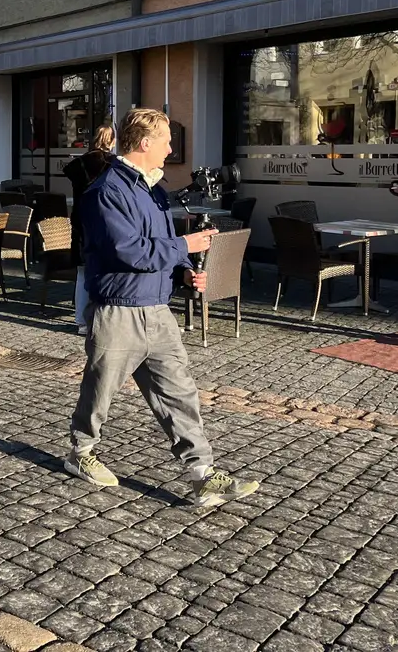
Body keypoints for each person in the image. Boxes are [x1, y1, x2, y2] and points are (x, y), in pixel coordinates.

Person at [66, 108, 259, 507]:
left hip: (157, 309)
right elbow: (129, 251)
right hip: (117, 309)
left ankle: (203, 473)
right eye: (166, 140)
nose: (172, 148)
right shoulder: (106, 192)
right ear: (144, 143)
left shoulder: (152, 189)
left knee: (180, 391)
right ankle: (80, 453)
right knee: (100, 390)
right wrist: (185, 248)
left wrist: (185, 270)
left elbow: (163, 239)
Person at [63, 125, 116, 336]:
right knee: (105, 272)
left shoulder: (79, 164)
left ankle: (81, 321)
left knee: (82, 274)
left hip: (80, 223)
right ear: (111, 141)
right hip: (103, 224)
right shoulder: (111, 165)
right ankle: (103, 319)